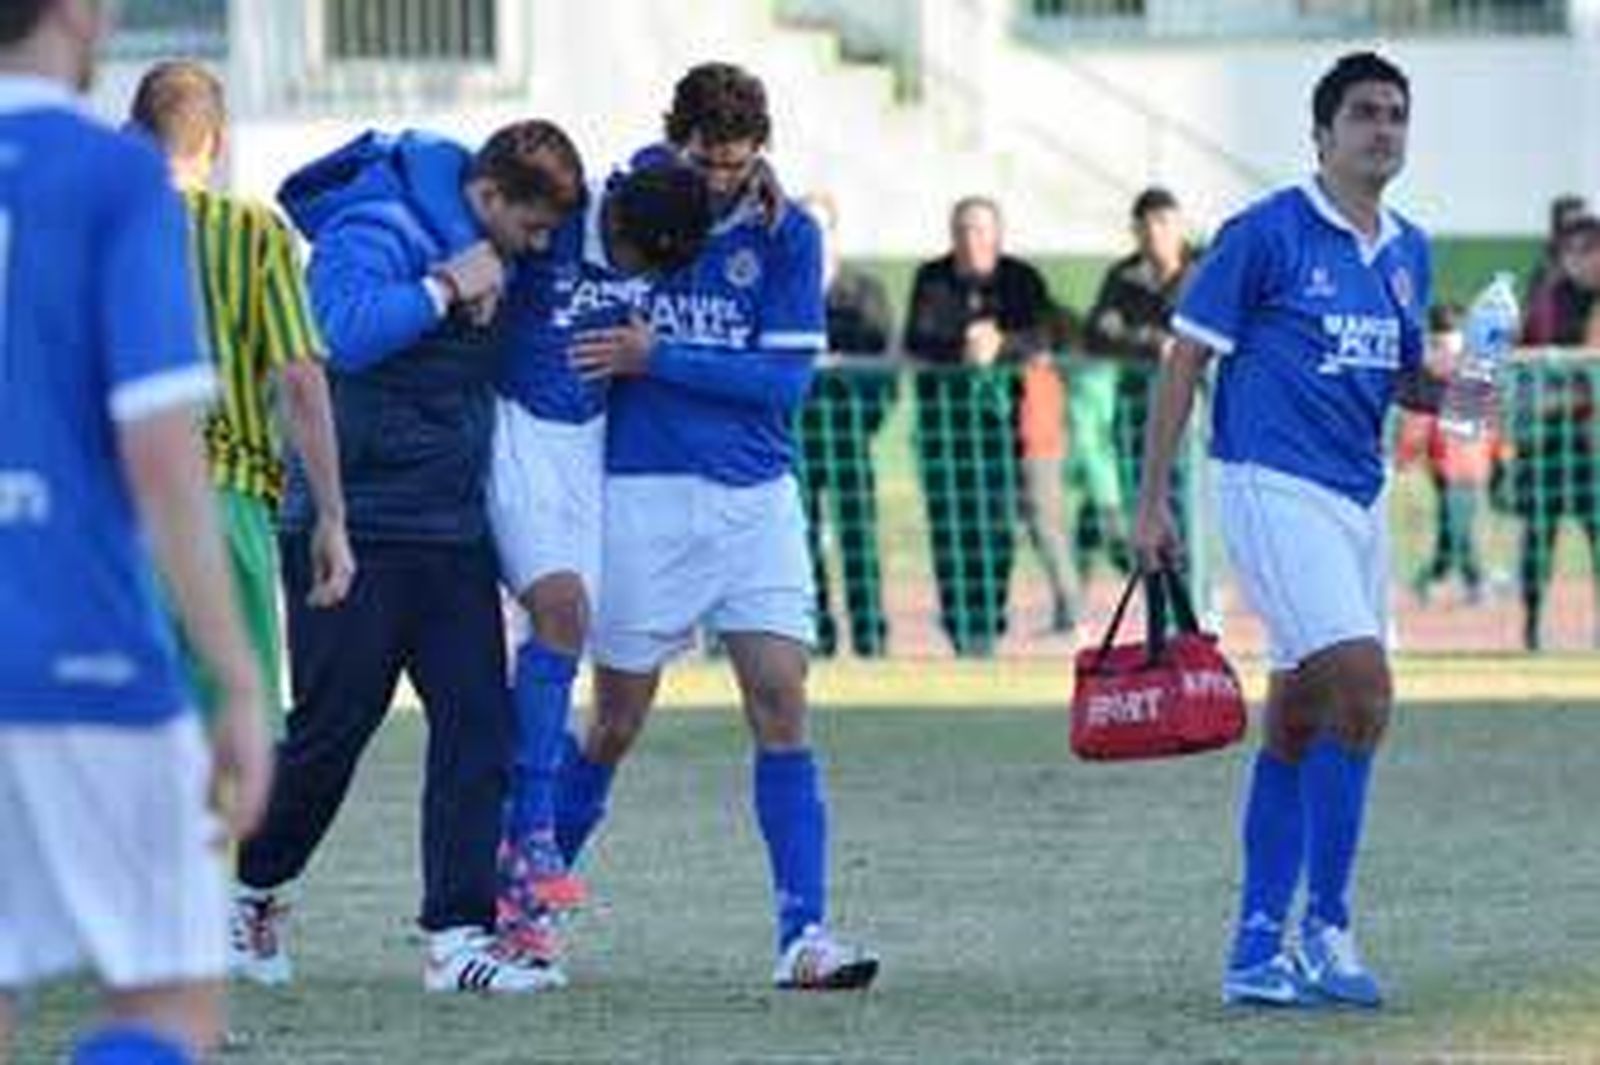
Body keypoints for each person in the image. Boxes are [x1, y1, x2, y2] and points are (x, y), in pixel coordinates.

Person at [228, 120, 584, 994]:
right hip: (348, 525)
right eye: (531, 229)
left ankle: (457, 937)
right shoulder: (373, 226)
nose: (541, 249)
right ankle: (245, 891)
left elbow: (604, 223)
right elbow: (334, 332)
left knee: (478, 722)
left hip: (449, 527)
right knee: (332, 730)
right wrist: (440, 285)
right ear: (490, 196)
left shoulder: (499, 235)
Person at [554, 61, 879, 989]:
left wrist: (659, 358)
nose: (721, 180)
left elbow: (784, 386)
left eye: (738, 162)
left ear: (760, 153)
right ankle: (528, 910)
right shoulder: (638, 203)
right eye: (705, 159)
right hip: (643, 493)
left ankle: (804, 933)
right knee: (615, 720)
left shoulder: (788, 234)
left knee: (780, 697)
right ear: (675, 139)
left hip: (753, 496)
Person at [1133, 52, 1437, 1008]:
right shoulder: (1264, 232)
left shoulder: (1408, 249)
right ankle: (1327, 928)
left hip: (1358, 496)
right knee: (1366, 691)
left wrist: (1464, 390)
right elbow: (1185, 360)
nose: (1381, 129)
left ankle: (1257, 944)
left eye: (1394, 114)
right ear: (1322, 134)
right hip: (1268, 481)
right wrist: (1153, 503)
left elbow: (1402, 378)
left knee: (1303, 718)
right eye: (1362, 114)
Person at [0, 1, 272, 1061]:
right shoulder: (117, 178)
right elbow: (163, 456)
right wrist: (239, 680)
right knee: (166, 1009)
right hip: (84, 653)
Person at [489, 156, 713, 967]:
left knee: (598, 669)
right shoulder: (559, 216)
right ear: (609, 221)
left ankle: (515, 887)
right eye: (631, 261)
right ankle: (531, 837)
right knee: (561, 614)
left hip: (589, 454)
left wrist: (767, 189)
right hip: (515, 431)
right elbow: (473, 173)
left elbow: (684, 160)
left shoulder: (661, 202)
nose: (638, 278)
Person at [127, 60, 354, 726]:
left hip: (117, 504)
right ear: (217, 142)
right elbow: (301, 380)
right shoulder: (255, 233)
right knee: (230, 745)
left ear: (135, 134)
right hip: (224, 507)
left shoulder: (95, 232)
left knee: (126, 742)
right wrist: (332, 516)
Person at [904, 196, 1053, 656]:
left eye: (980, 230)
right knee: (949, 528)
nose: (971, 240)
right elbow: (919, 337)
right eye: (963, 230)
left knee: (997, 527)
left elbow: (1042, 337)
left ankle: (988, 624)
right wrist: (964, 347)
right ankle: (959, 629)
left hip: (1003, 431)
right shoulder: (931, 278)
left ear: (997, 234)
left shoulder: (1022, 279)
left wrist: (999, 344)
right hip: (942, 431)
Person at [793, 191, 895, 657]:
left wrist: (865, 421)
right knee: (801, 537)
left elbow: (883, 366)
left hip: (849, 434)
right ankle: (819, 636)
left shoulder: (866, 290)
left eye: (820, 226)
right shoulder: (783, 287)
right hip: (794, 436)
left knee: (858, 538)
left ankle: (870, 637)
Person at [1509, 213, 1600, 649]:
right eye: (1575, 251)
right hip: (1544, 446)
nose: (1584, 260)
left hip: (1591, 447)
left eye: (1591, 250)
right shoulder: (1544, 300)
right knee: (1538, 538)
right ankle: (1531, 629)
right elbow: (1518, 362)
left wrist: (1573, 397)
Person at [1085, 186, 1199, 529]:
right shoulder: (1122, 277)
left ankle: (1196, 581)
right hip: (1138, 412)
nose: (1154, 233)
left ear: (1181, 226)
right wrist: (1150, 341)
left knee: (1192, 512)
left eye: (1163, 222)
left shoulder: (1206, 269)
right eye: (1145, 225)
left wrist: (1133, 333)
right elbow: (1096, 334)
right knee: (1147, 505)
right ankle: (1157, 581)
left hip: (1198, 414)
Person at [1396, 303, 1494, 606]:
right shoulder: (1422, 375)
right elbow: (1414, 424)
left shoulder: (1470, 375)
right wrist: (1408, 454)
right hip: (1439, 465)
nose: (1442, 354)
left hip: (1465, 465)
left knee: (1456, 525)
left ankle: (1453, 579)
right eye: (1435, 345)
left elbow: (1483, 426)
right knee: (1453, 524)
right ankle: (1461, 580)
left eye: (1449, 346)